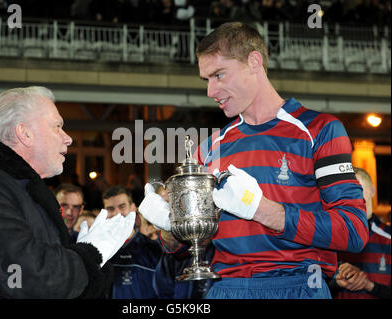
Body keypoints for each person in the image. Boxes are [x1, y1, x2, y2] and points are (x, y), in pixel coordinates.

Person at [139, 22, 369, 299]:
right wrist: (172, 225)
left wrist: (262, 210)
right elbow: (179, 250)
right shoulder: (209, 148)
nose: (211, 91)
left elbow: (353, 231)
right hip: (226, 289)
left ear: (254, 62)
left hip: (298, 286)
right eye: (207, 80)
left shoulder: (320, 130)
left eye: (219, 75)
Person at [0, 86, 135, 298]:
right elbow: (26, 276)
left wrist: (85, 260)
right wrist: (89, 256)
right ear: (24, 133)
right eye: (57, 126)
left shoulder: (21, 191)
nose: (67, 138)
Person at [331, 167, 391, 299]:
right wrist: (337, 282)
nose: (352, 197)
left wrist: (369, 285)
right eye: (346, 192)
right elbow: (313, 284)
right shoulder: (330, 238)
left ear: (372, 191)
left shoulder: (388, 238)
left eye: (357, 189)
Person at [102, 185, 163, 299]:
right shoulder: (97, 251)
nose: (117, 213)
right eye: (110, 208)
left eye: (122, 206)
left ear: (133, 208)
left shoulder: (153, 249)